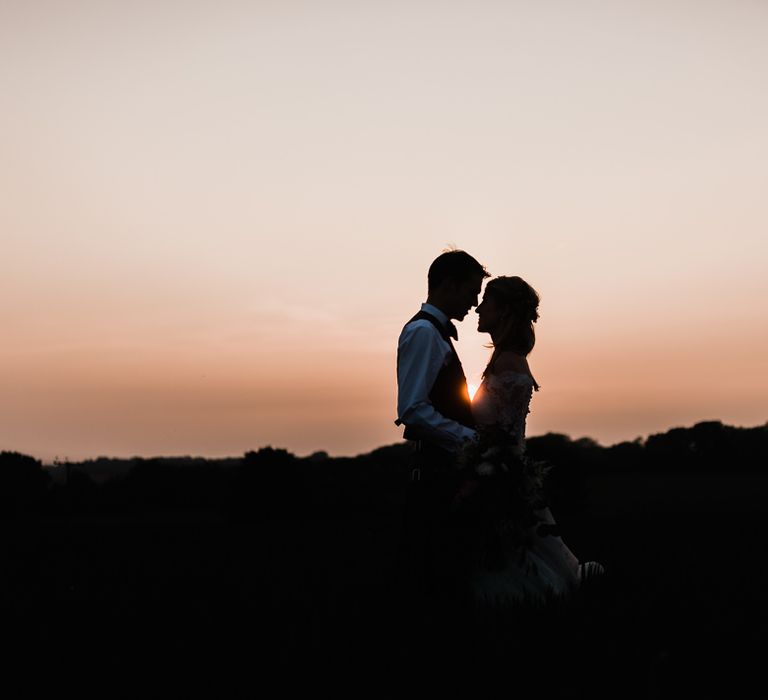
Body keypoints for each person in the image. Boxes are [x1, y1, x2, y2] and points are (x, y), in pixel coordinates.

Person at [459, 275, 601, 607]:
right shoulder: (502, 360)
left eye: (487, 303)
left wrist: (486, 473)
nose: (479, 308)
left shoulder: (508, 362)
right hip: (496, 470)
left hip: (498, 476)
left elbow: (504, 434)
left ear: (505, 312)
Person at [393, 249, 489, 625]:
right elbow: (413, 409)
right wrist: (471, 438)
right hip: (434, 475)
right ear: (448, 285)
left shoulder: (434, 334)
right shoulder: (422, 333)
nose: (474, 302)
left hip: (442, 471)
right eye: (471, 291)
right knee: (434, 577)